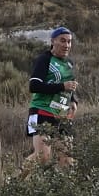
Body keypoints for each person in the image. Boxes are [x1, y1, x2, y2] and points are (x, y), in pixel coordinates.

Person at [23, 26, 77, 172]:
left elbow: (69, 86)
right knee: (43, 156)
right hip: (41, 111)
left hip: (61, 115)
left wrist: (73, 101)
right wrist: (61, 87)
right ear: (53, 41)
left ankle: (65, 193)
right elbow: (34, 86)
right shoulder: (45, 59)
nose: (66, 45)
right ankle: (13, 183)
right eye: (63, 41)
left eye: (69, 42)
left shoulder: (68, 63)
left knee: (67, 160)